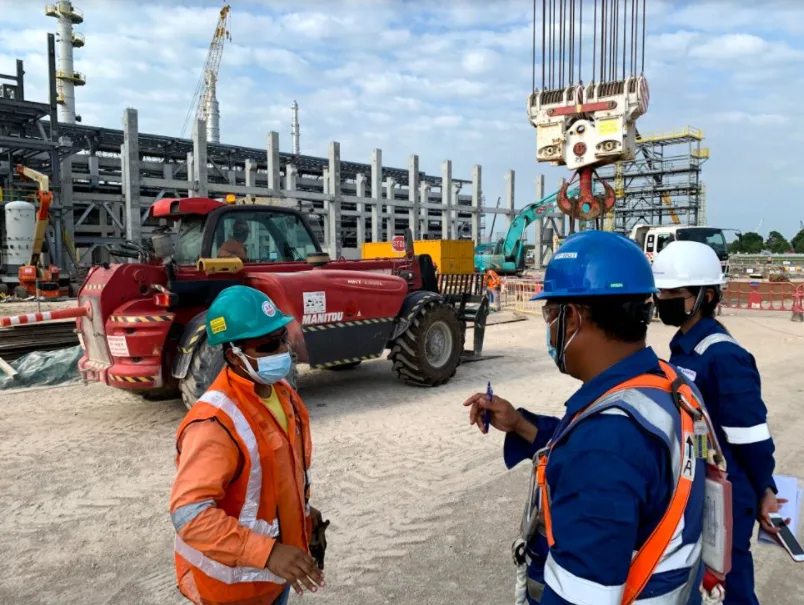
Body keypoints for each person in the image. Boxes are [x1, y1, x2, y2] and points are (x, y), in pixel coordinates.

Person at [464, 231, 710, 605]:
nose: (549, 330)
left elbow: (583, 596)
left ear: (573, 318)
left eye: (550, 315)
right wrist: (520, 425)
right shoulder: (667, 385)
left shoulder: (605, 446)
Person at [169, 285, 326, 605]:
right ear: (233, 354)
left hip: (272, 578)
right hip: (233, 590)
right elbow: (190, 515)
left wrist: (304, 514)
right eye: (269, 345)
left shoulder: (282, 395)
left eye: (282, 337)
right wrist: (267, 552)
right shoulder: (215, 423)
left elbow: (278, 476)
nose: (284, 350)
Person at [652, 240, 784, 605]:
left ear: (705, 296)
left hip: (729, 494)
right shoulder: (684, 347)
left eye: (673, 292)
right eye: (661, 291)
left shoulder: (724, 356)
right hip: (697, 485)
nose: (663, 299)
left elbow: (753, 438)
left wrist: (766, 490)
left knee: (729, 582)